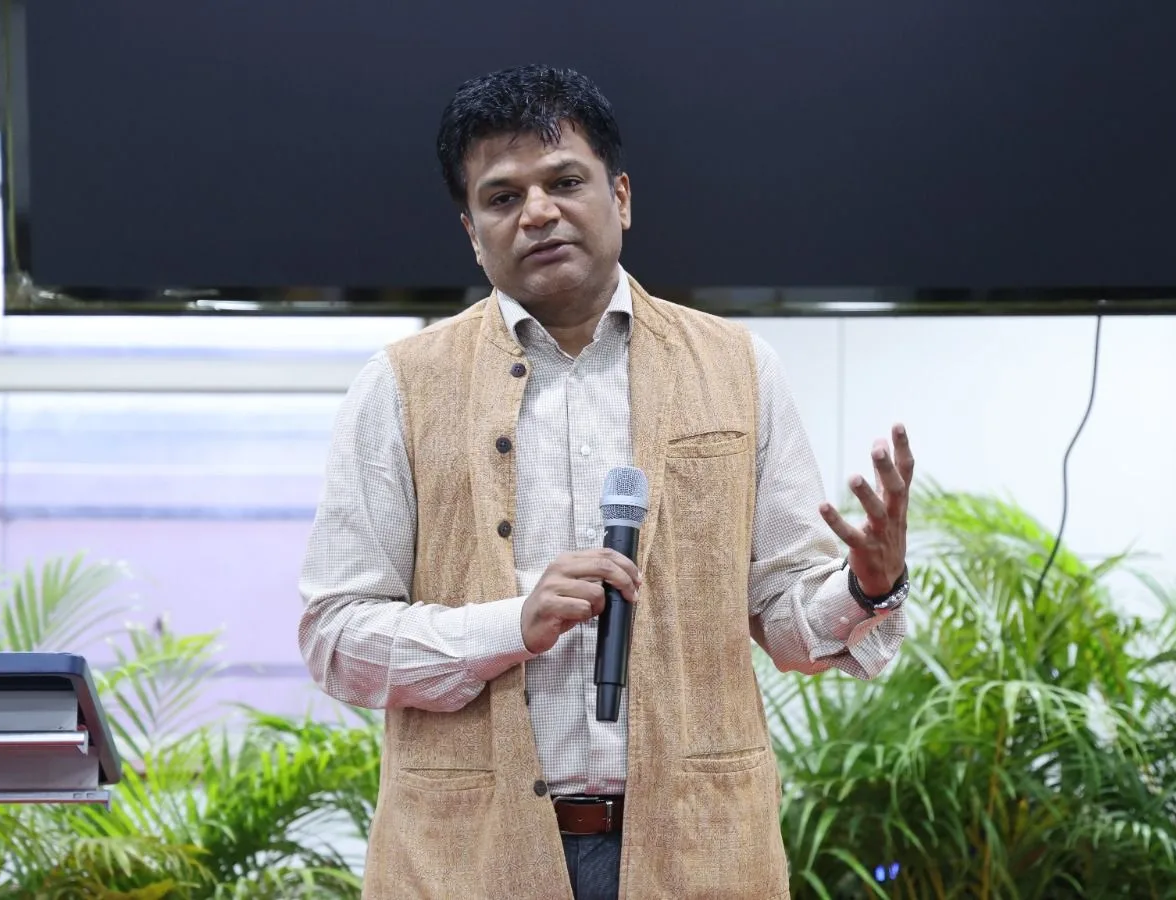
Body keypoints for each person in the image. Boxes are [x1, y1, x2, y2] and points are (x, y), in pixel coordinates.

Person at [298, 63, 912, 900]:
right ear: (472, 233)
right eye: (503, 197)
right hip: (469, 861)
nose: (537, 212)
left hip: (698, 853)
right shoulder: (401, 385)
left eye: (564, 182)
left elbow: (787, 619)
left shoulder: (737, 367)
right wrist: (511, 623)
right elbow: (337, 638)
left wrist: (867, 586)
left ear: (620, 197)